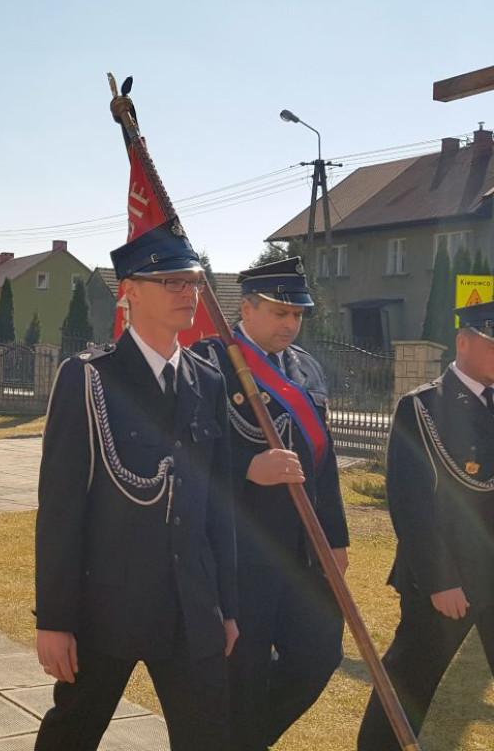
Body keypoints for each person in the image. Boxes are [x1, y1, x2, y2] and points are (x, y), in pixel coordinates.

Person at [33, 227, 238, 751]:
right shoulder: (89, 377)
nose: (187, 293)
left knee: (208, 737)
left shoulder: (208, 380)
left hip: (191, 604)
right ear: (131, 290)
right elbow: (60, 510)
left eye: (192, 282)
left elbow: (221, 507)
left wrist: (227, 608)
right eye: (170, 281)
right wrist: (55, 620)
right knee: (72, 735)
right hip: (107, 604)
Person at [191, 257, 349, 751]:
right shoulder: (208, 361)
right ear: (249, 308)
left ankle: (246, 740)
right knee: (244, 671)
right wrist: (245, 470)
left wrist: (337, 537)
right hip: (242, 553)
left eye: (297, 314)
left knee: (317, 656)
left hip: (304, 551)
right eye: (280, 312)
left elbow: (324, 460)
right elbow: (186, 452)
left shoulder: (305, 367)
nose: (290, 324)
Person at [357, 301, 494, 750]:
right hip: (447, 584)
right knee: (407, 686)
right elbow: (411, 504)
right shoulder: (423, 407)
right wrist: (440, 580)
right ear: (464, 341)